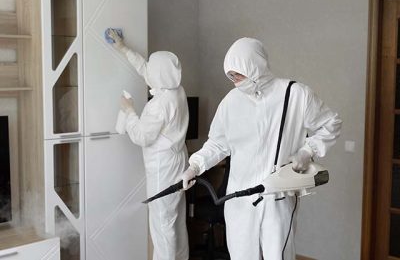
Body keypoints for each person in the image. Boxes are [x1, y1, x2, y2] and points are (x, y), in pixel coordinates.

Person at [181, 37, 342, 260]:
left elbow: (331, 124)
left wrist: (308, 151)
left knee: (278, 255)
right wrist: (195, 165)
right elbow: (218, 143)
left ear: (254, 66)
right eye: (230, 75)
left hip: (277, 199)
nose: (234, 80)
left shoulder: (295, 95)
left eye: (238, 73)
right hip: (239, 200)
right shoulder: (231, 102)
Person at [107, 29, 189, 260]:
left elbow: (142, 136)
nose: (149, 69)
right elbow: (147, 70)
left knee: (162, 224)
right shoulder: (177, 91)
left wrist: (129, 111)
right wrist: (122, 48)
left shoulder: (159, 105)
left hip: (163, 168)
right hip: (178, 162)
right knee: (175, 221)